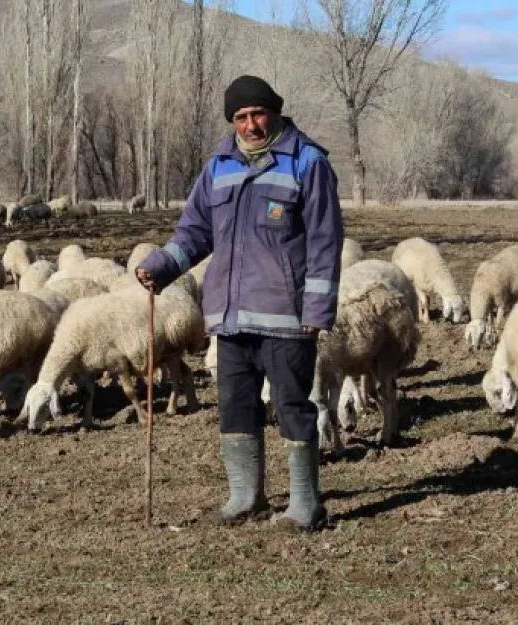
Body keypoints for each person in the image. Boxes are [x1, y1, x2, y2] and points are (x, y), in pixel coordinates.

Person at [136, 75, 343, 531]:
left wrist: (316, 311)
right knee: (235, 405)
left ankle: (306, 505)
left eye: (257, 114)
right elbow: (195, 231)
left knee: (292, 405)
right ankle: (245, 497)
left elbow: (326, 242)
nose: (250, 125)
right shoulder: (219, 165)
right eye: (240, 117)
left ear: (274, 111)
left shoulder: (307, 164)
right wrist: (161, 265)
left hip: (285, 316)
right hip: (229, 315)